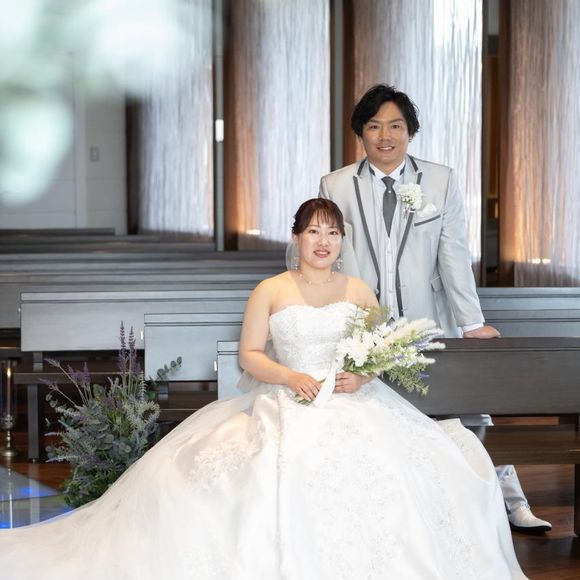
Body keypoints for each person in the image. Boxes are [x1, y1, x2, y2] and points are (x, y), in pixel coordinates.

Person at [0, 199, 527, 579]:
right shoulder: (270, 290)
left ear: (341, 242)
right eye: (313, 231)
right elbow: (251, 354)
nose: (323, 241)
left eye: (333, 233)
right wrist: (290, 376)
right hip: (287, 396)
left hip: (353, 397)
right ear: (296, 238)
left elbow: (381, 349)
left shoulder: (359, 290)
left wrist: (363, 376)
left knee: (401, 466)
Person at [319, 83, 551, 533]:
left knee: (468, 410)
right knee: (369, 419)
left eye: (395, 126)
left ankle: (511, 500)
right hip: (364, 329)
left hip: (429, 322)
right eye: (374, 126)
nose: (385, 136)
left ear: (410, 132)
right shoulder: (336, 184)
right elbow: (331, 251)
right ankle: (394, 514)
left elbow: (454, 255)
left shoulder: (440, 180)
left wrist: (472, 322)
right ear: (360, 133)